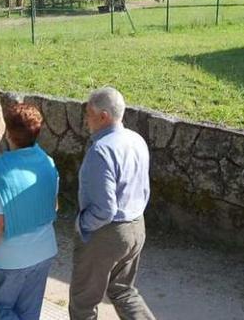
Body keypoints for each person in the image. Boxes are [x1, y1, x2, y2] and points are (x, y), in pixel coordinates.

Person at [0, 103, 59, 320]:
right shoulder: (48, 164)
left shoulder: (0, 175)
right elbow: (54, 205)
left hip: (7, 262)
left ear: (8, 133)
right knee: (29, 315)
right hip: (43, 253)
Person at [69, 87, 155, 320]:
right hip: (136, 226)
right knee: (123, 291)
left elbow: (105, 210)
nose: (86, 118)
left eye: (88, 112)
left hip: (107, 234)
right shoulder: (136, 140)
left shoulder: (101, 150)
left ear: (103, 116)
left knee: (83, 304)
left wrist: (81, 224)